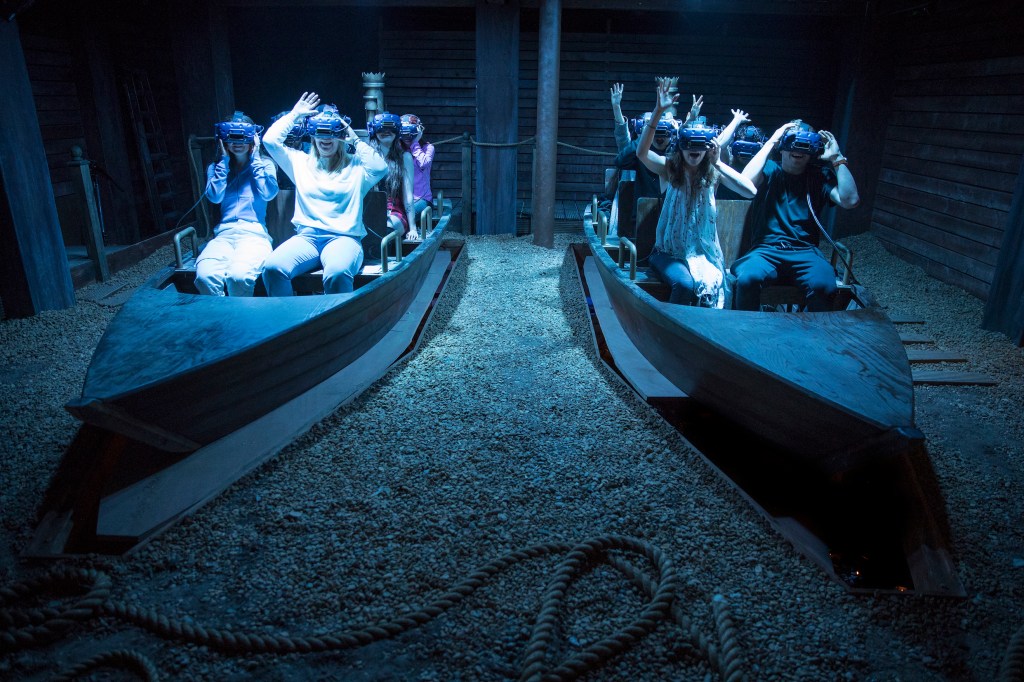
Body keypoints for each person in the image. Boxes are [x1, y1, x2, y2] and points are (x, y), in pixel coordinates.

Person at [637, 82, 757, 308]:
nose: (695, 150)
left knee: (713, 281)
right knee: (684, 284)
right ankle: (672, 327)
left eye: (700, 145)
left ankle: (704, 327)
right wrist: (658, 111)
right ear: (681, 146)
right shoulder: (670, 169)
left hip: (703, 253)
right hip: (668, 251)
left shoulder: (713, 173)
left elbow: (750, 191)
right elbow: (642, 153)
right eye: (689, 144)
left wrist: (718, 162)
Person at [261, 93, 388, 296]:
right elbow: (270, 141)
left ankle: (338, 316)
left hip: (344, 238)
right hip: (307, 238)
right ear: (312, 135)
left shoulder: (356, 166)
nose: (325, 139)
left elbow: (380, 167)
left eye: (331, 133)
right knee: (272, 268)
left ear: (339, 136)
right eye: (320, 133)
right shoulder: (300, 162)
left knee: (337, 273)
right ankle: (289, 314)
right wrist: (295, 114)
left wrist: (354, 139)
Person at [731, 120, 860, 312]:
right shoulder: (769, 170)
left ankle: (810, 331)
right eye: (792, 143)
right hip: (767, 250)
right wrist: (772, 141)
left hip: (805, 251)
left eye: (805, 145)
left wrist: (837, 158)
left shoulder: (819, 176)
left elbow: (850, 200)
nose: (797, 150)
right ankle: (746, 328)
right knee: (748, 278)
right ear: (782, 147)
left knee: (823, 285)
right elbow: (745, 182)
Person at [195, 111, 279, 297]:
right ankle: (221, 313)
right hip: (224, 235)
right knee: (205, 276)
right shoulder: (216, 167)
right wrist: (224, 162)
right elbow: (215, 197)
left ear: (253, 138)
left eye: (242, 136)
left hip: (253, 234)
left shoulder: (265, 164)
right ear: (223, 138)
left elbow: (268, 193)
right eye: (231, 137)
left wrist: (255, 159)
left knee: (238, 277)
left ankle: (241, 314)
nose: (237, 142)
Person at [368, 111, 417, 240]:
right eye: (381, 129)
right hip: (369, 209)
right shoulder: (368, 156)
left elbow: (408, 194)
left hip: (393, 211)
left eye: (390, 129)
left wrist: (413, 228)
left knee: (385, 227)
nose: (386, 132)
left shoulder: (404, 157)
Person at [400, 113, 434, 225]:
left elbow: (424, 163)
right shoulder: (397, 149)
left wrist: (415, 143)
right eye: (404, 132)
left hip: (422, 199)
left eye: (411, 131)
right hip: (402, 199)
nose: (407, 136)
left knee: (404, 219)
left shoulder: (428, 148)